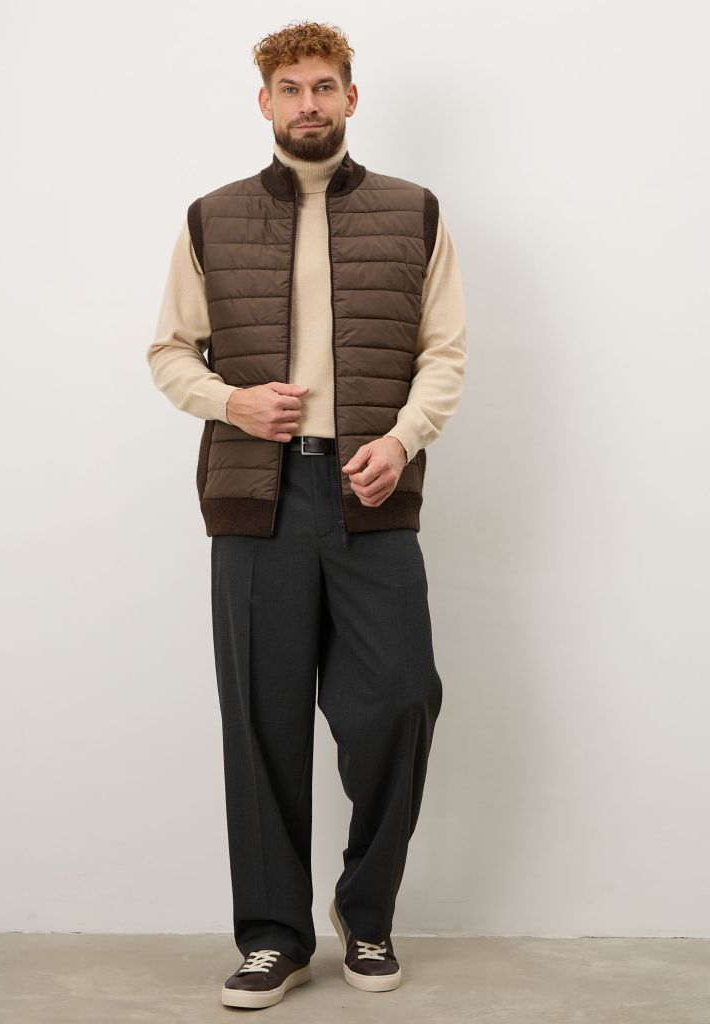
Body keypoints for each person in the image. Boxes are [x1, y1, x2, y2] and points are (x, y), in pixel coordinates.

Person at [147, 20, 467, 1011]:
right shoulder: (212, 218)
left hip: (372, 491)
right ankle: (273, 936)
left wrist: (402, 440)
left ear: (351, 98)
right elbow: (168, 354)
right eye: (290, 89)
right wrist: (231, 402)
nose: (308, 104)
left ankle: (364, 912)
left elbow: (443, 353)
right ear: (265, 103)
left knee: (401, 697)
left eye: (324, 86)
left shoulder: (415, 212)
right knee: (262, 719)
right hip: (256, 498)